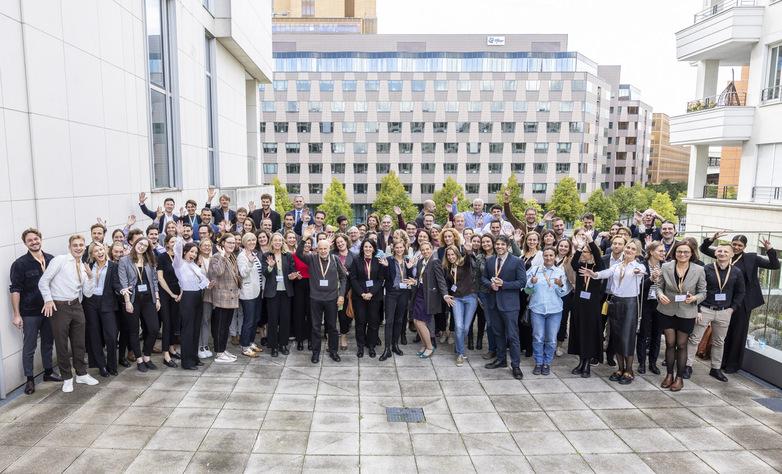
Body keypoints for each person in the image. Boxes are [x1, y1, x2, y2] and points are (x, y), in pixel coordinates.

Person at [700, 232, 779, 373]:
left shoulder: (751, 258)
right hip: (724, 301)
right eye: (734, 244)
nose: (736, 247)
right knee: (723, 333)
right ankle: (720, 362)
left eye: (740, 245)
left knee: (738, 332)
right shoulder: (724, 254)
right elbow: (703, 249)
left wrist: (770, 250)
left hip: (742, 301)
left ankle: (732, 365)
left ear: (745, 247)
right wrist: (712, 239)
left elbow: (774, 265)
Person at [38, 234, 99, 392]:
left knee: (79, 343)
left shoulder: (83, 266)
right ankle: (67, 378)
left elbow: (88, 293)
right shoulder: (60, 260)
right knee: (62, 344)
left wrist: (90, 277)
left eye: (81, 245)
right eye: (75, 245)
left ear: (84, 247)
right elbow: (43, 281)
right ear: (70, 247)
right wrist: (48, 300)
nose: (78, 248)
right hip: (60, 307)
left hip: (77, 306)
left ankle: (81, 374)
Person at [581, 238, 646, 385]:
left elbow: (641, 272)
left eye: (633, 249)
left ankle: (629, 370)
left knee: (627, 338)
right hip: (615, 302)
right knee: (616, 337)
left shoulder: (639, 266)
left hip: (629, 304)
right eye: (628, 247)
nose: (629, 250)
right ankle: (620, 369)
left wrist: (637, 271)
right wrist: (593, 274)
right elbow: (606, 273)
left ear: (637, 252)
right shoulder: (617, 266)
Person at [9, 228, 62, 394]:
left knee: (48, 342)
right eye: (30, 240)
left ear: (40, 239)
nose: (34, 242)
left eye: (36, 239)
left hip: (50, 310)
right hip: (30, 312)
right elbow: (15, 290)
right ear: (25, 243)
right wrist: (16, 314)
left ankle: (48, 372)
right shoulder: (20, 264)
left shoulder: (51, 259)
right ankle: (30, 379)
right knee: (29, 346)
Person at [686, 243, 746, 382]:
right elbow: (697, 289)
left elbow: (741, 292)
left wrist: (732, 309)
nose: (722, 253)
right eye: (720, 251)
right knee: (694, 339)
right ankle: (687, 366)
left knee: (719, 342)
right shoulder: (706, 269)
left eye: (726, 251)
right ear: (715, 253)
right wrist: (697, 309)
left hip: (724, 311)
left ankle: (715, 368)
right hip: (705, 309)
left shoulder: (736, 272)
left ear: (732, 254)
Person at [656, 240, 707, 391]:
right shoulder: (666, 266)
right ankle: (669, 375)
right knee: (670, 344)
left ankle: (679, 378)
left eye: (686, 252)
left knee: (682, 345)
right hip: (667, 310)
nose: (682, 254)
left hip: (687, 312)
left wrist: (695, 298)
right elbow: (659, 287)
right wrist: (660, 295)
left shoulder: (699, 269)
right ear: (675, 253)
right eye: (679, 251)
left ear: (691, 254)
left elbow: (703, 292)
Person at [298, 226, 347, 363]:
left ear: (329, 248)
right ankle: (315, 353)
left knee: (332, 327)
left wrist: (341, 295)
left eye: (325, 248)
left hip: (332, 299)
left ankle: (333, 351)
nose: (323, 251)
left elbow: (343, 278)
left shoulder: (335, 259)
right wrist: (304, 238)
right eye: (321, 248)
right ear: (317, 249)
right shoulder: (312, 259)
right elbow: (299, 254)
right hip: (316, 299)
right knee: (315, 327)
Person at [482, 235, 527, 380]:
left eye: (502, 244)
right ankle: (501, 360)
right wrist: (491, 285)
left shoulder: (517, 261)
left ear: (508, 246)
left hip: (510, 305)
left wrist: (504, 284)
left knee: (513, 336)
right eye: (497, 244)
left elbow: (522, 282)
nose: (499, 246)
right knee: (498, 333)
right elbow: (483, 278)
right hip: (493, 303)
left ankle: (516, 365)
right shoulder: (490, 261)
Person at [118, 237, 161, 372]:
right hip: (133, 300)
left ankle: (147, 356)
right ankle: (139, 360)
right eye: (140, 244)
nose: (142, 247)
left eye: (145, 246)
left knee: (154, 329)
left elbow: (154, 281)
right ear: (135, 244)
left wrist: (157, 299)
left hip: (148, 299)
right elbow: (123, 282)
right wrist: (127, 302)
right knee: (134, 331)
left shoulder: (149, 260)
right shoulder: (124, 260)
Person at [171, 227, 210, 370]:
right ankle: (186, 362)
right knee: (188, 330)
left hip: (197, 297)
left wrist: (208, 284)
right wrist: (179, 235)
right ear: (185, 252)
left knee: (196, 329)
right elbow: (177, 250)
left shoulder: (194, 265)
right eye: (191, 251)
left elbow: (201, 281)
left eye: (195, 252)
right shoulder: (179, 263)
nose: (193, 254)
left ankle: (194, 358)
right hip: (187, 298)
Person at [526, 246, 569, 375]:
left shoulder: (559, 272)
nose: (548, 258)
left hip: (554, 310)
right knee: (538, 337)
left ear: (555, 256)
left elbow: (562, 293)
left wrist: (560, 285)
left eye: (551, 255)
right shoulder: (535, 270)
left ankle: (547, 363)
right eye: (546, 255)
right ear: (542, 256)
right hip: (537, 309)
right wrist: (531, 282)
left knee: (551, 339)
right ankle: (538, 362)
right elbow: (527, 290)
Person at [83, 242, 122, 378]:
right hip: (90, 302)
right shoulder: (89, 266)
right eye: (96, 251)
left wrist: (122, 290)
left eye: (101, 249)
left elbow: (116, 283)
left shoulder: (113, 266)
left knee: (111, 335)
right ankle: (101, 366)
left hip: (108, 303)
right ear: (92, 254)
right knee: (94, 335)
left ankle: (112, 365)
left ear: (105, 250)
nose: (99, 252)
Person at [568, 236, 605, 377]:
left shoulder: (598, 267)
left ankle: (587, 364)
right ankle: (581, 362)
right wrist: (579, 247)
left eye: (585, 252)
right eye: (582, 252)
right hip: (579, 305)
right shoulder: (580, 266)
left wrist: (590, 241)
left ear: (591, 254)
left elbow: (598, 256)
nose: (583, 254)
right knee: (579, 333)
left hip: (592, 307)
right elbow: (573, 262)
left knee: (589, 334)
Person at [410, 241, 452, 358]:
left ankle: (429, 347)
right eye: (423, 250)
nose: (425, 251)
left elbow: (441, 280)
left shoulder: (435, 262)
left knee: (421, 322)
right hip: (419, 293)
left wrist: (445, 295)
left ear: (431, 249)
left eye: (427, 249)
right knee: (415, 321)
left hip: (428, 296)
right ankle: (424, 345)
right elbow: (421, 279)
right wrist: (415, 282)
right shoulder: (420, 262)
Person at [378, 239, 415, 361]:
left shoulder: (408, 260)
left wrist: (410, 269)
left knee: (399, 320)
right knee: (389, 321)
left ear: (404, 248)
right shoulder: (388, 260)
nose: (399, 250)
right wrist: (385, 267)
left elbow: (410, 278)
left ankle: (395, 345)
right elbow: (384, 277)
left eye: (401, 247)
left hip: (404, 293)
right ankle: (387, 348)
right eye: (397, 247)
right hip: (391, 293)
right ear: (393, 248)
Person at [442, 245, 479, 366]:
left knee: (466, 328)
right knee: (458, 326)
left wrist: (468, 250)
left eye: (452, 254)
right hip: (457, 299)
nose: (450, 257)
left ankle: (458, 345)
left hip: (470, 298)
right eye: (448, 255)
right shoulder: (448, 267)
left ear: (457, 254)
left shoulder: (465, 263)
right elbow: (447, 284)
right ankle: (460, 354)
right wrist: (446, 295)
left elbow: (469, 257)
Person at [207, 234, 241, 363]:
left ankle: (222, 349)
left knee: (226, 326)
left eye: (233, 243)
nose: (232, 245)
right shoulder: (216, 257)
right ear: (222, 243)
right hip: (221, 298)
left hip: (231, 297)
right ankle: (219, 353)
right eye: (229, 242)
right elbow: (218, 272)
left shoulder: (232, 256)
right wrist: (222, 256)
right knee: (220, 327)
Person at [350, 239, 386, 358]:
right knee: (360, 322)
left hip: (374, 296)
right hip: (359, 296)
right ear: (362, 248)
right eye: (366, 246)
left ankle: (371, 346)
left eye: (370, 247)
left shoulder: (378, 261)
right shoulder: (356, 260)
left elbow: (380, 279)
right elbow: (353, 279)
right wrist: (362, 293)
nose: (368, 249)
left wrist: (371, 293)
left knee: (373, 322)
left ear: (374, 248)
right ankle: (360, 346)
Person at [636, 241, 665, 375]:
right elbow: (638, 286)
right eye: (660, 251)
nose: (663, 253)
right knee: (643, 334)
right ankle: (641, 363)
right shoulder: (641, 266)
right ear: (651, 252)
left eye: (664, 251)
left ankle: (653, 363)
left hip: (660, 305)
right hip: (645, 304)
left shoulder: (665, 266)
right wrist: (651, 279)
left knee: (656, 335)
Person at [156, 234, 181, 368]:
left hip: (177, 294)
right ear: (166, 243)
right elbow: (160, 278)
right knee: (167, 323)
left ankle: (171, 348)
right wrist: (171, 293)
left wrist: (180, 293)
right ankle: (165, 354)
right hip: (165, 293)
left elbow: (183, 276)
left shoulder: (179, 257)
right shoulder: (162, 257)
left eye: (176, 242)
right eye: (172, 242)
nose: (174, 244)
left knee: (174, 322)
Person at [237, 232, 264, 358]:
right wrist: (249, 262)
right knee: (248, 320)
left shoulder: (254, 254)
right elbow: (243, 273)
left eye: (253, 240)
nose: (252, 242)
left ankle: (250, 342)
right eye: (249, 240)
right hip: (248, 293)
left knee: (255, 319)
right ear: (244, 242)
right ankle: (244, 346)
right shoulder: (242, 256)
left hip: (257, 292)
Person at [333, 233, 355, 350]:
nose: (340, 244)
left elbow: (356, 274)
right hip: (331, 289)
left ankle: (343, 336)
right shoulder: (331, 254)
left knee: (343, 315)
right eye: (338, 243)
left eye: (342, 241)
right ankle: (331, 337)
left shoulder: (354, 256)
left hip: (346, 290)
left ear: (346, 241)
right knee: (331, 315)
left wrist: (347, 273)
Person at [290, 231, 311, 351]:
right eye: (305, 243)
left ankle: (310, 339)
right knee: (299, 313)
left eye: (309, 243)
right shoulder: (295, 255)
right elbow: (292, 269)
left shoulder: (314, 256)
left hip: (311, 286)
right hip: (298, 285)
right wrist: (294, 274)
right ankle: (300, 339)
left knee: (310, 313)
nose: (307, 245)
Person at [554, 238, 575, 357]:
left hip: (565, 294)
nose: (563, 248)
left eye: (566, 246)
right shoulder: (551, 256)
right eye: (561, 245)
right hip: (550, 293)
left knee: (562, 319)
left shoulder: (571, 260)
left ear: (569, 249)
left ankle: (559, 345)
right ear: (557, 246)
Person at [197, 238, 215, 359]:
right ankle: (200, 346)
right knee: (203, 320)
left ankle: (205, 344)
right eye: (205, 245)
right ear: (200, 247)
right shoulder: (197, 260)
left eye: (209, 245)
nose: (207, 247)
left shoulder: (213, 259)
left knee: (207, 320)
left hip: (213, 293)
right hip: (202, 293)